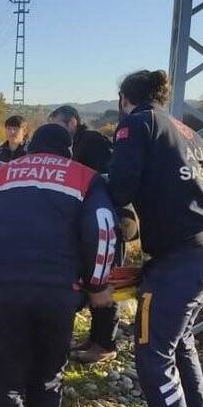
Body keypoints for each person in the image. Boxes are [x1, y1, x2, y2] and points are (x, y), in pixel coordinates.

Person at [108, 69, 203, 407]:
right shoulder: (189, 132)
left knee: (151, 351)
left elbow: (121, 188)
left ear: (126, 98)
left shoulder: (137, 123)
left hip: (182, 261)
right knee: (181, 344)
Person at [0, 123, 117, 407]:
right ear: (68, 150)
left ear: (29, 148)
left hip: (3, 288)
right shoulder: (85, 178)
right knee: (47, 377)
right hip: (57, 292)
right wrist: (95, 284)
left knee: (7, 383)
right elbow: (103, 231)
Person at [48, 104, 121, 364]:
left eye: (58, 124)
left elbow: (106, 178)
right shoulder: (78, 144)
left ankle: (105, 343)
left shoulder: (91, 142)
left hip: (105, 220)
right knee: (94, 279)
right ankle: (95, 338)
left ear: (73, 122)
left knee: (105, 280)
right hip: (91, 218)